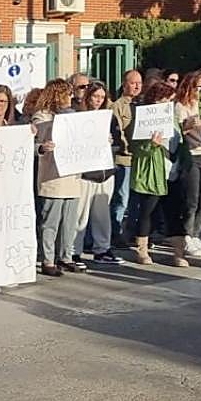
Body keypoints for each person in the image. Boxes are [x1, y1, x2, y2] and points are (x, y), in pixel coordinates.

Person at [128, 81, 187, 266]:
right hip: (153, 171)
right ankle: (142, 250)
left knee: (175, 213)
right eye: (165, 100)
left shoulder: (174, 119)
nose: (169, 104)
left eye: (171, 100)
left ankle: (179, 253)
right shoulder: (142, 118)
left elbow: (180, 142)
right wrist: (151, 145)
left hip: (173, 170)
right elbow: (135, 147)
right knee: (148, 211)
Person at [33, 80, 85, 277]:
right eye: (67, 93)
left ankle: (66, 256)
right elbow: (34, 144)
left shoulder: (75, 116)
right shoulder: (42, 116)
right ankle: (48, 259)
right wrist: (42, 147)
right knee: (51, 221)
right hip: (53, 177)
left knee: (70, 222)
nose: (71, 97)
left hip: (72, 175)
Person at [74, 83, 124, 265]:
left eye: (102, 97)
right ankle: (74, 250)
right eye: (95, 96)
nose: (98, 100)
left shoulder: (109, 117)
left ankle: (102, 248)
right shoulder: (79, 117)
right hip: (86, 172)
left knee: (102, 215)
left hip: (105, 171)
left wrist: (111, 142)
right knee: (80, 215)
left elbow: (119, 143)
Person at [173, 71, 201, 257]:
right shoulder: (181, 106)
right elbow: (178, 130)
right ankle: (187, 236)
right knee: (192, 199)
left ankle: (196, 233)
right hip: (190, 154)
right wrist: (190, 123)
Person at [110, 69, 143, 248]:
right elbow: (118, 132)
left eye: (139, 83)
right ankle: (116, 233)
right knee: (122, 198)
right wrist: (127, 147)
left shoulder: (144, 105)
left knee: (136, 200)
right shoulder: (117, 106)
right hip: (125, 159)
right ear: (124, 85)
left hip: (141, 160)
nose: (137, 86)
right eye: (133, 83)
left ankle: (133, 233)